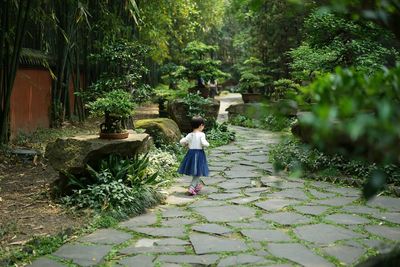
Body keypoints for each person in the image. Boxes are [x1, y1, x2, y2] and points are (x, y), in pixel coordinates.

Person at [178, 116, 210, 195]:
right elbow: (203, 143)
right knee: (198, 172)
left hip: (191, 154)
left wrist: (186, 143)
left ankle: (197, 186)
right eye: (203, 126)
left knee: (195, 171)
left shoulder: (190, 135)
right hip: (199, 154)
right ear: (201, 125)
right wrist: (207, 144)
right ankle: (192, 187)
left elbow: (182, 141)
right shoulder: (201, 134)